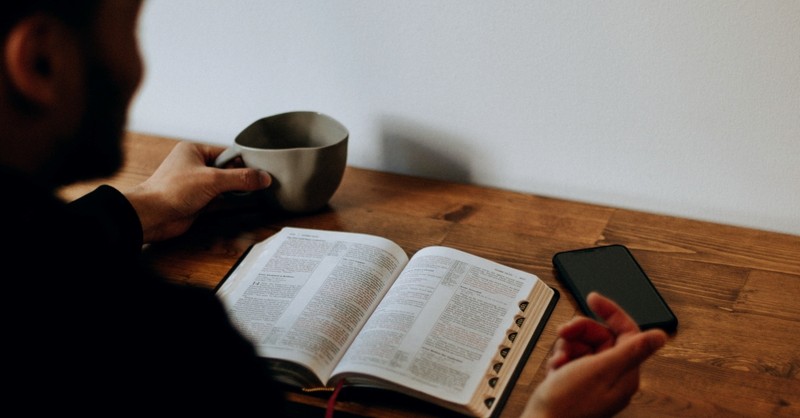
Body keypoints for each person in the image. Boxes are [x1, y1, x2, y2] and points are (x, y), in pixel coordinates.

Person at [0, 1, 666, 416]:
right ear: (41, 60)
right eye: (131, 21)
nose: (138, 62)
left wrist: (145, 207)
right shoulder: (162, 347)